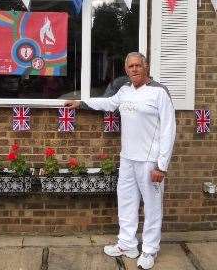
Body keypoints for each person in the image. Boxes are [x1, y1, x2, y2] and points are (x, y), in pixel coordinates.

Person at [65, 52, 176, 270]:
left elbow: (169, 130)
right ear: (126, 70)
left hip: (149, 161)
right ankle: (127, 244)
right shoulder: (124, 90)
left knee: (152, 207)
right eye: (130, 66)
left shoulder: (159, 92)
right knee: (126, 201)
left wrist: (162, 166)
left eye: (138, 65)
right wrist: (81, 103)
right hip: (127, 158)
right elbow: (108, 103)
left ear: (146, 67)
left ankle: (149, 250)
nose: (134, 69)